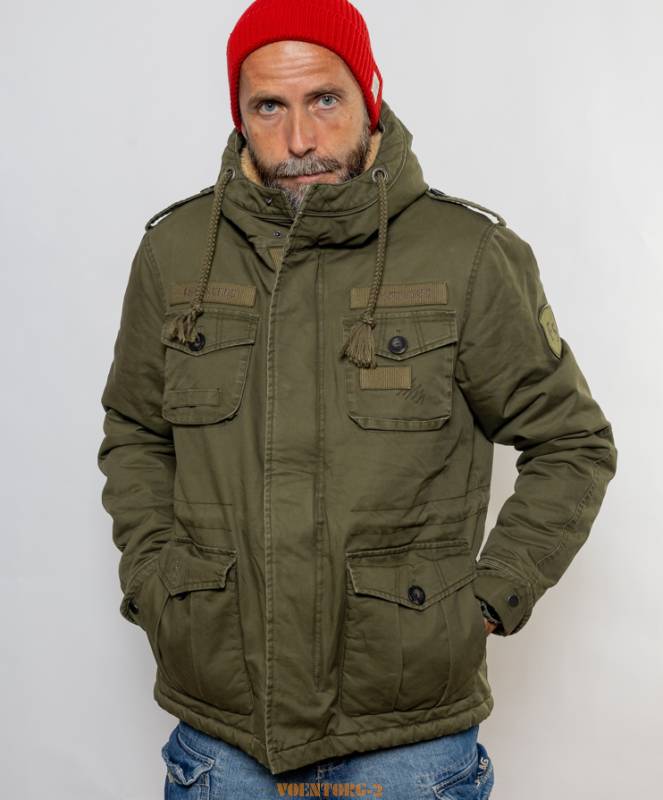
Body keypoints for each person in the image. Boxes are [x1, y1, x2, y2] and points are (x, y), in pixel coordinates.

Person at [96, 0, 618, 797]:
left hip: (407, 734)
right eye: (268, 107)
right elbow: (136, 430)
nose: (299, 139)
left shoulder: (467, 254)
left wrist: (485, 600)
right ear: (239, 115)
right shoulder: (176, 252)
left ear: (368, 95)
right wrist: (155, 581)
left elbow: (570, 442)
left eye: (324, 100)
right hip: (222, 730)